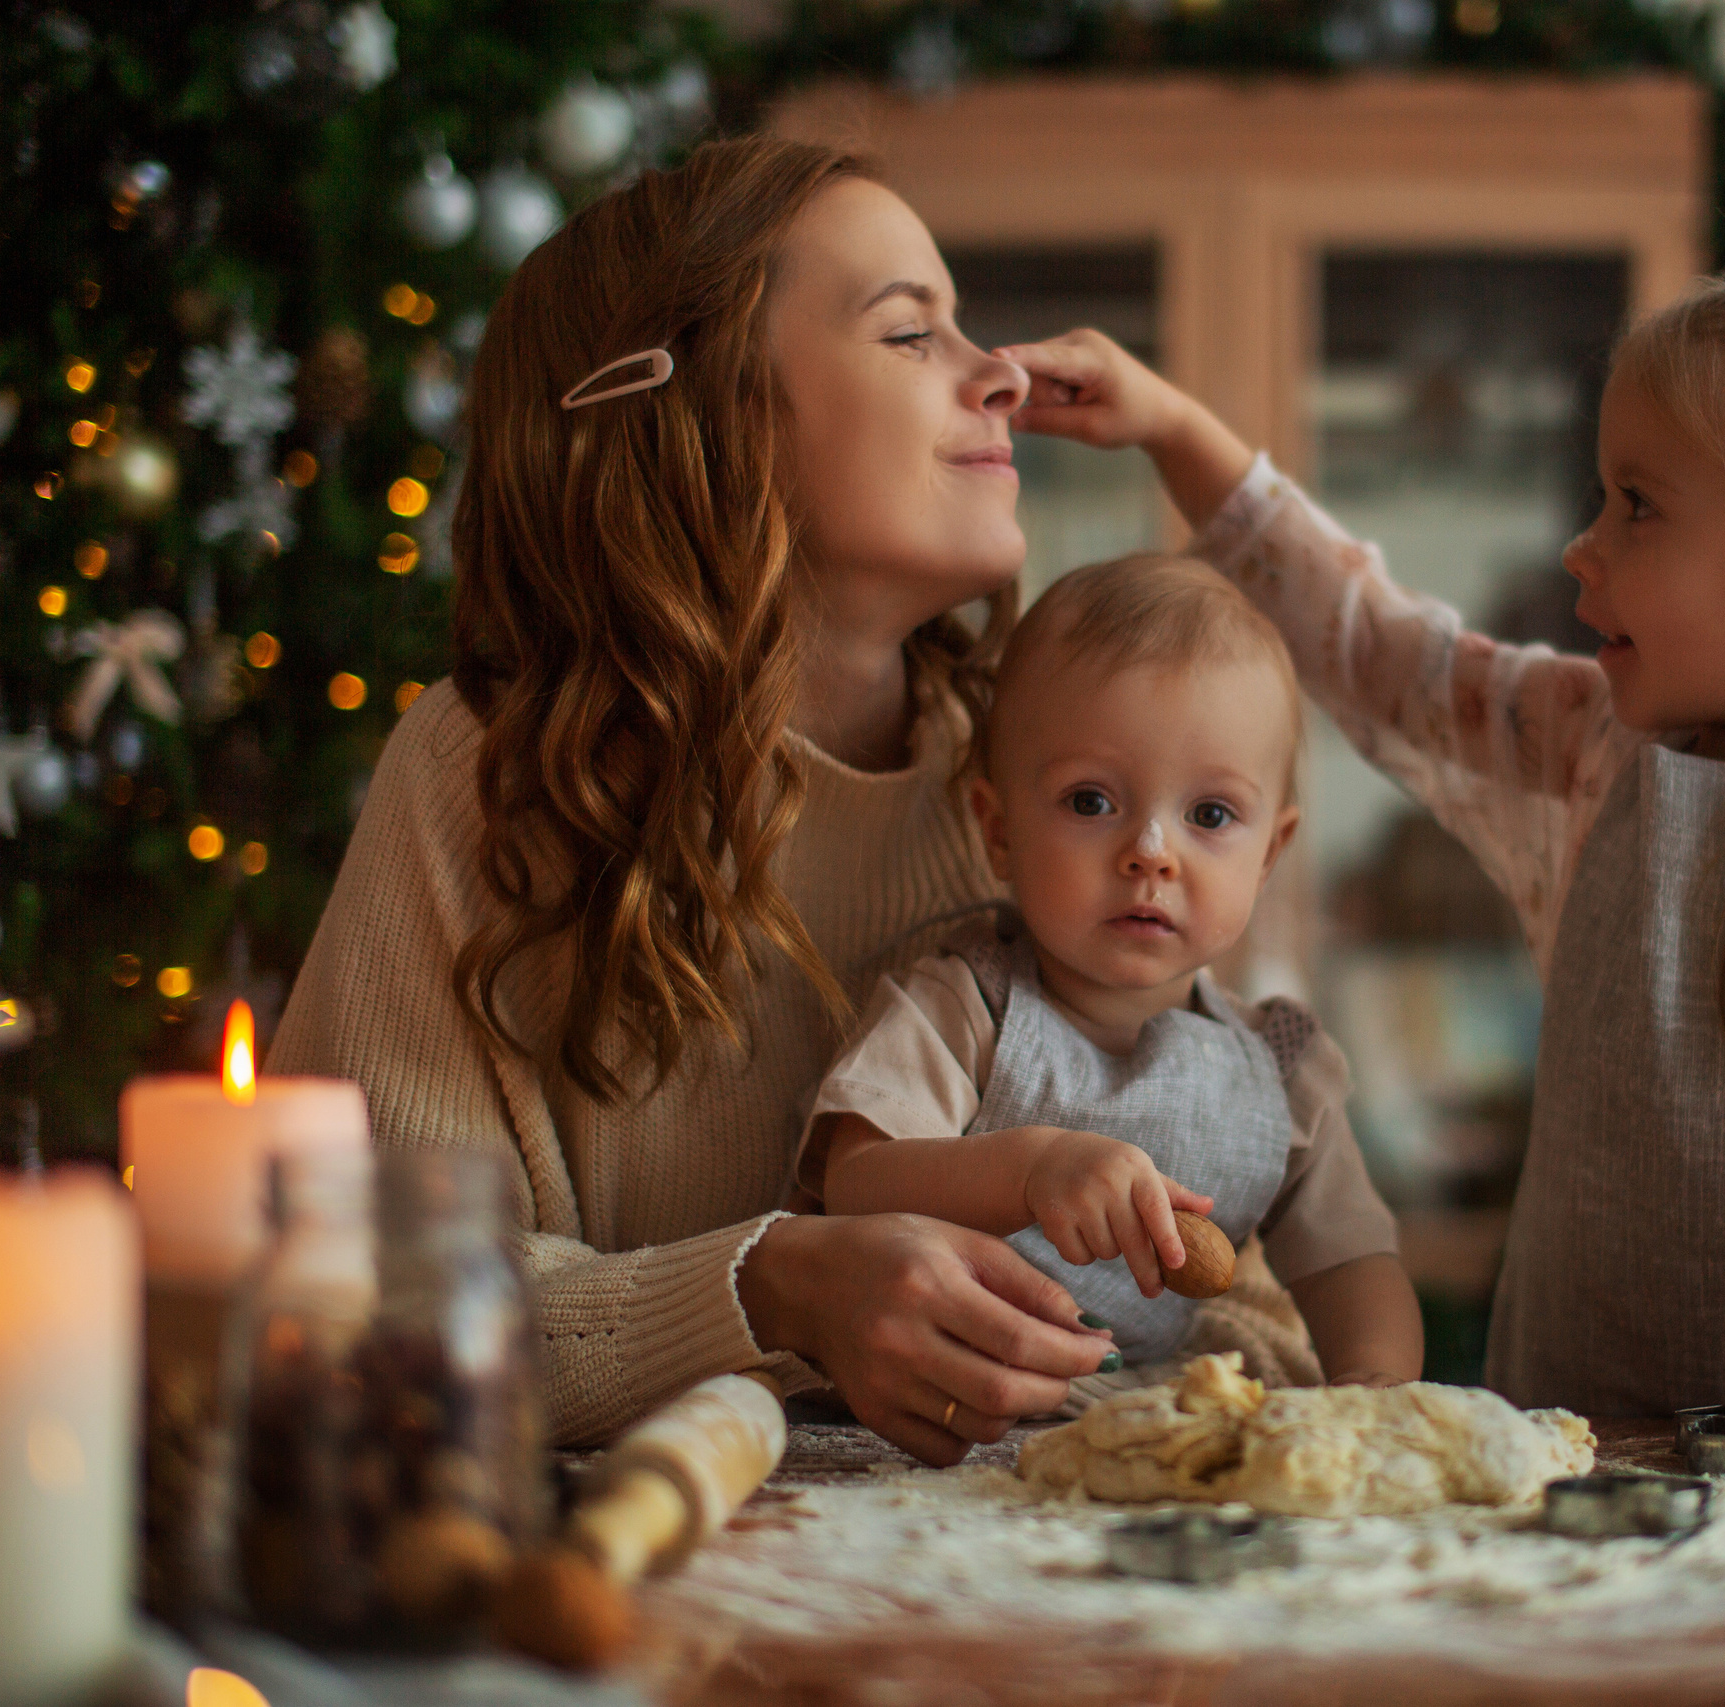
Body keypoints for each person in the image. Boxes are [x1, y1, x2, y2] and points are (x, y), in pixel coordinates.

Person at [272, 137, 1313, 1462]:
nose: (998, 369)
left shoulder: (1051, 790)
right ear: (707, 415)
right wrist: (766, 1287)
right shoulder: (491, 776)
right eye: (908, 333)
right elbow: (360, 1301)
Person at [996, 263, 1725, 1420]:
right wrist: (1173, 431)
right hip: (1579, 1479)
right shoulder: (1588, 756)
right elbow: (1375, 645)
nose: (1583, 546)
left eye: (1638, 504)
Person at [794, 554, 1424, 1403]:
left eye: (1209, 815)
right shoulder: (964, 1003)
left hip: (1152, 1425)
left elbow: (1353, 1260)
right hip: (954, 1414)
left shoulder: (1280, 1068)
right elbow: (855, 1181)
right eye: (1091, 801)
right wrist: (1028, 1169)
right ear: (999, 829)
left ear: (1270, 852)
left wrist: (1375, 1382)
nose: (1150, 852)